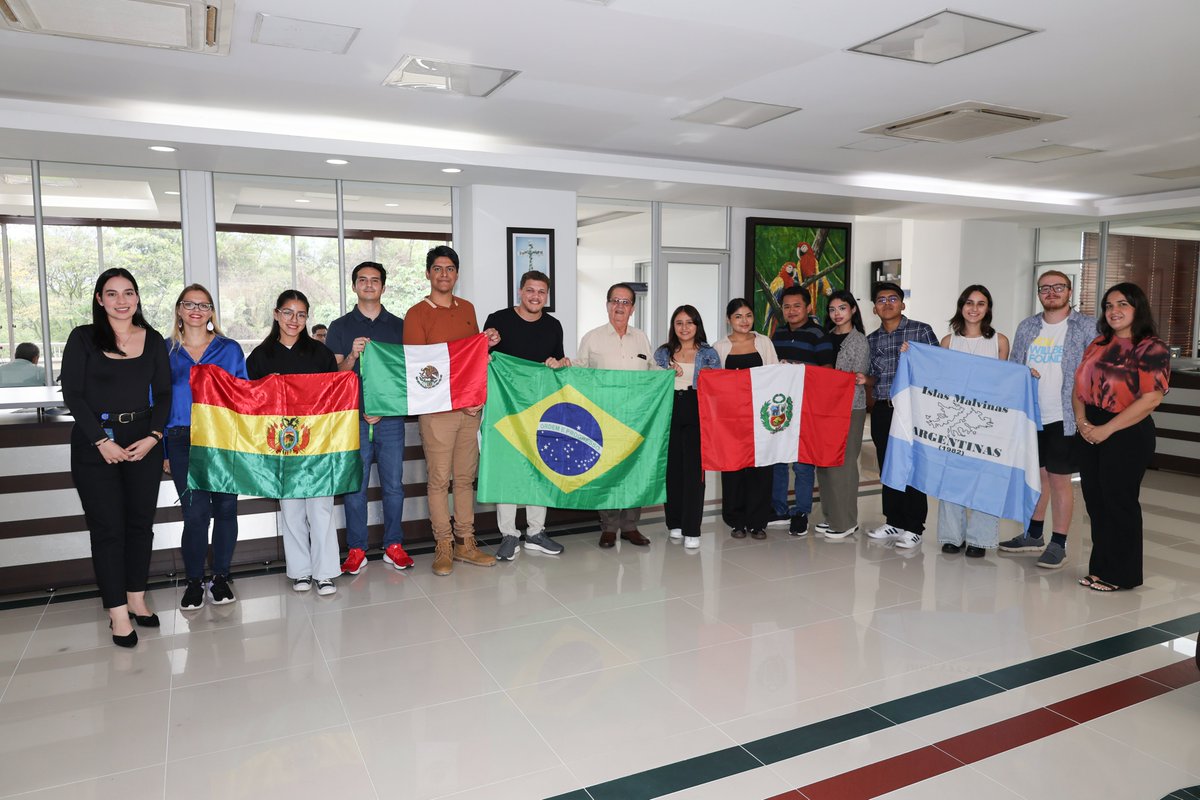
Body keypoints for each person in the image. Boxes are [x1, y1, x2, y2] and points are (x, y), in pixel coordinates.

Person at [61, 268, 170, 647]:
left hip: (143, 441)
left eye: (128, 293)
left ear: (137, 297)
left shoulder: (152, 339)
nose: (121, 301)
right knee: (108, 529)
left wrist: (155, 436)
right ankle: (117, 612)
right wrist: (99, 441)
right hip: (96, 443)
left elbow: (164, 394)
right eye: (112, 294)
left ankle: (136, 597)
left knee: (140, 525)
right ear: (99, 299)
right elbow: (73, 395)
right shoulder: (83, 337)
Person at [404, 246, 500, 575]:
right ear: (428, 273)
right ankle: (443, 544)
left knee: (464, 479)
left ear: (457, 274)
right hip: (436, 412)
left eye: (450, 269)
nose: (444, 274)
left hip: (469, 409)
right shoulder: (416, 314)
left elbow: (471, 360)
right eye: (438, 268)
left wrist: (486, 344)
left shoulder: (468, 309)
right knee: (438, 480)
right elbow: (419, 369)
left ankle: (466, 543)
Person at [1073, 283, 1169, 592]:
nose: (1114, 310)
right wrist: (1082, 422)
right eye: (1109, 305)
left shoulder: (1151, 348)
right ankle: (1100, 568)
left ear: (1137, 308)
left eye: (1122, 304)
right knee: (1096, 501)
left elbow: (1151, 399)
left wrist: (1107, 429)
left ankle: (1122, 574)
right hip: (1089, 426)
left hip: (1128, 430)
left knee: (1119, 501)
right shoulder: (1098, 343)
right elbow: (1078, 386)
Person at [247, 290, 341, 596]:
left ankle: (325, 572)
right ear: (276, 314)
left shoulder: (321, 354)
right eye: (288, 312)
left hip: (317, 444)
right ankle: (300, 571)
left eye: (301, 315)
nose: (294, 320)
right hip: (281, 444)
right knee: (291, 510)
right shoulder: (260, 356)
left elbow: (334, 397)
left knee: (321, 509)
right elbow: (251, 403)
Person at [1002, 270, 1097, 569]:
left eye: (1058, 287)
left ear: (1070, 291)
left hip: (1064, 415)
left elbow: (1096, 371)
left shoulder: (1087, 326)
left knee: (1059, 480)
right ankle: (1033, 534)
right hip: (1032, 415)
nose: (1051, 292)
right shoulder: (1027, 326)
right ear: (1038, 293)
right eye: (1045, 288)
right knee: (1038, 476)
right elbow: (1015, 366)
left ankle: (1059, 542)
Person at [164, 284, 248, 610]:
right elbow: (156, 400)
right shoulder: (165, 351)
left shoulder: (230, 349)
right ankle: (194, 581)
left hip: (224, 437)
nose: (196, 310)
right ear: (179, 309)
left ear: (212, 311)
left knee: (226, 509)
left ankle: (221, 577)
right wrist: (164, 451)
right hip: (181, 438)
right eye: (190, 304)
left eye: (204, 305)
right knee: (195, 514)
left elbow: (243, 396)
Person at [326, 261, 411, 576]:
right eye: (362, 280)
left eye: (375, 280)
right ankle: (357, 549)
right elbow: (335, 375)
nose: (369, 284)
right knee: (354, 487)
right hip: (352, 419)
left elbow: (406, 375)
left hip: (390, 419)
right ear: (354, 286)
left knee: (394, 486)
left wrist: (384, 408)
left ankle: (394, 544)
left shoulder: (400, 326)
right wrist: (351, 355)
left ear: (383, 287)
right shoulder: (340, 326)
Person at [484, 269, 570, 560]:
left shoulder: (553, 326)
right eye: (530, 290)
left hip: (540, 409)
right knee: (507, 470)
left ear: (547, 296)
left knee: (540, 467)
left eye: (541, 292)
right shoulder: (498, 320)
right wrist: (486, 343)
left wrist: (560, 363)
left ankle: (536, 532)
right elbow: (482, 358)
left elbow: (558, 363)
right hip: (505, 409)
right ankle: (509, 534)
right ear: (520, 292)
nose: (535, 296)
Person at [577, 282, 656, 548]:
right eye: (615, 301)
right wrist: (560, 366)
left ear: (632, 308)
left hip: (637, 418)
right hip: (604, 418)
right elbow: (579, 373)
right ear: (607, 305)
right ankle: (609, 527)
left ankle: (631, 525)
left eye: (625, 302)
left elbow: (653, 371)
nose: (619, 306)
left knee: (635, 471)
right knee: (608, 472)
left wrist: (672, 373)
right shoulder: (592, 338)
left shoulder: (641, 338)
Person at [935, 285, 1011, 558]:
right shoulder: (948, 342)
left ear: (988, 308)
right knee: (952, 478)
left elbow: (1004, 381)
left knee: (985, 481)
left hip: (988, 422)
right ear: (961, 306)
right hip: (955, 421)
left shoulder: (999, 341)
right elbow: (940, 381)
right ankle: (952, 536)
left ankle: (980, 538)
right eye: (969, 302)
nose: (974, 308)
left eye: (981, 303)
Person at [865, 282, 938, 550]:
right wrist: (864, 379)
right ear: (875, 308)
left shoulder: (920, 331)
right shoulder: (872, 339)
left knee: (913, 466)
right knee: (888, 465)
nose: (887, 303)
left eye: (892, 298)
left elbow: (936, 366)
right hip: (884, 409)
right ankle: (893, 520)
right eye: (881, 300)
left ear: (902, 304)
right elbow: (874, 376)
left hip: (913, 409)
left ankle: (915, 526)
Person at [653, 305, 721, 549]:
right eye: (679, 323)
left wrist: (708, 378)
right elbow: (652, 383)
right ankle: (675, 523)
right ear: (673, 326)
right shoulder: (663, 352)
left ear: (697, 325)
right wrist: (665, 374)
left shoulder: (709, 353)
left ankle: (692, 528)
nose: (684, 327)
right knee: (672, 470)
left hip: (697, 409)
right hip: (669, 409)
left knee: (694, 471)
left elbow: (719, 387)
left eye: (689, 322)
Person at [769, 285, 834, 536]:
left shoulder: (818, 334)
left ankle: (801, 512)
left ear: (808, 307)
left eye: (797, 306)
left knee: (802, 463)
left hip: (808, 406)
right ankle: (778, 509)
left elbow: (827, 372)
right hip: (781, 407)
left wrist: (798, 368)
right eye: (786, 306)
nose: (791, 311)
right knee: (778, 459)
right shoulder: (778, 333)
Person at [713, 298, 778, 540]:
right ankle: (736, 521)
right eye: (738, 316)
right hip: (730, 419)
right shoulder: (719, 347)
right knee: (733, 469)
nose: (744, 321)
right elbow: (713, 383)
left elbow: (775, 376)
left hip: (761, 417)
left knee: (761, 468)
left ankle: (758, 521)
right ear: (728, 319)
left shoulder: (764, 342)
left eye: (748, 315)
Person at [815, 290, 869, 539]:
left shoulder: (859, 341)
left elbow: (855, 377)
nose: (837, 314)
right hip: (824, 409)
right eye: (832, 309)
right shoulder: (825, 338)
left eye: (842, 308)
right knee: (825, 463)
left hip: (850, 408)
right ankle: (831, 516)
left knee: (844, 464)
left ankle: (846, 521)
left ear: (853, 310)